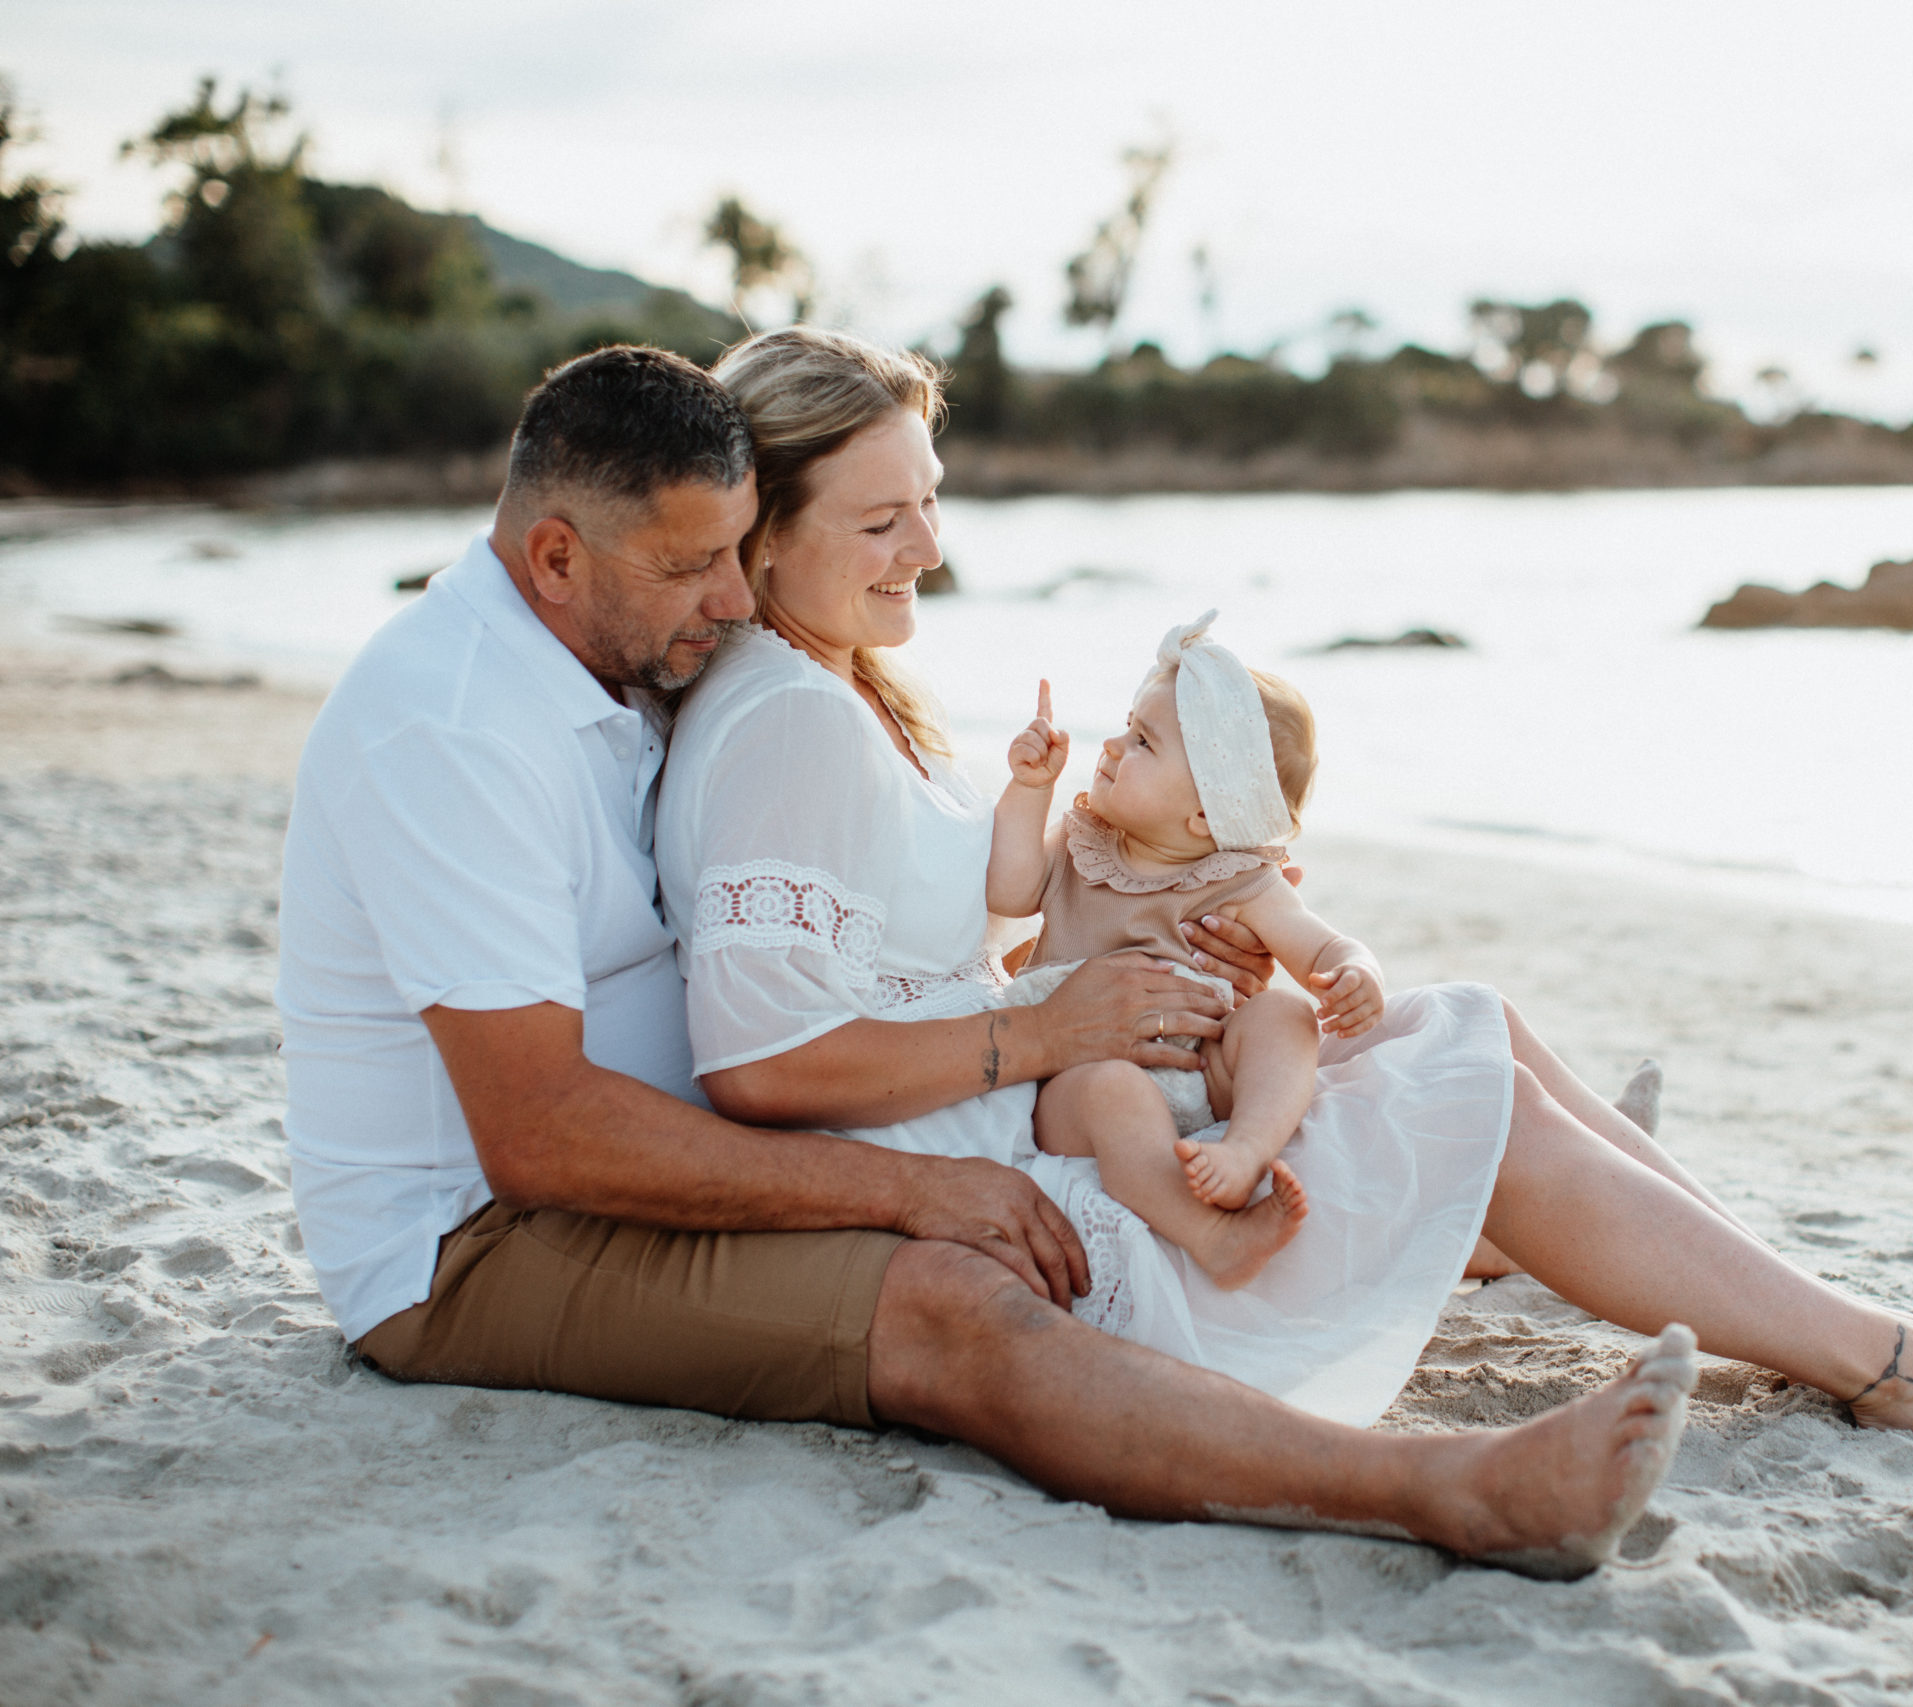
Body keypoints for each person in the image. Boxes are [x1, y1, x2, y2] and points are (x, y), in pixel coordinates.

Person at [277, 342, 1706, 1582]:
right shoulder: (456, 728)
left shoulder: (621, 663)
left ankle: (1646, 1266)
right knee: (964, 1296)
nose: (726, 600)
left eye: (735, 550)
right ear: (554, 556)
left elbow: (842, 921)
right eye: (693, 564)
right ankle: (1455, 1490)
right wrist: (922, 1179)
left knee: (1392, 1051)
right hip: (471, 1241)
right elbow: (542, 1133)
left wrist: (1126, 922)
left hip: (664, 1147)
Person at [662, 326, 1913, 1441]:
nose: (932, 544)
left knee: (1479, 1024)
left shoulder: (842, 685)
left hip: (1043, 1078)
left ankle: (1799, 1306)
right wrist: (1053, 1030)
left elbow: (934, 931)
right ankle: (1885, 1359)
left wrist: (1111, 971)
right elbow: (758, 1061)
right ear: (763, 527)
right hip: (1041, 1169)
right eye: (882, 519)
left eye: (930, 497)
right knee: (1471, 1083)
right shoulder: (789, 718)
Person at [988, 615, 1380, 1289]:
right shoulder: (1080, 844)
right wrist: (1030, 790)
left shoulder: (1240, 880)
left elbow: (1320, 943)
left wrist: (1355, 972)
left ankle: (1245, 1147)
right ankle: (1212, 1235)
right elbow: (1008, 887)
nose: (1111, 745)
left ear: (1207, 816)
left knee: (1285, 1017)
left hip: (1203, 1076)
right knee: (1114, 1092)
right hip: (1076, 1087)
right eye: (1126, 724)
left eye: (1142, 740)